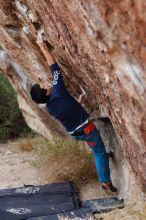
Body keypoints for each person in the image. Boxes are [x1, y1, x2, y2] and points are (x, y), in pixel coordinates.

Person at [30, 31, 117, 192]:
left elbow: (67, 110)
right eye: (43, 87)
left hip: (77, 132)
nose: (45, 84)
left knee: (97, 149)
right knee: (98, 153)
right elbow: (54, 68)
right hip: (86, 129)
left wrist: (79, 101)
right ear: (46, 93)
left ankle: (103, 157)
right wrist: (41, 45)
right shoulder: (58, 91)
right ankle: (105, 182)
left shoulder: (50, 107)